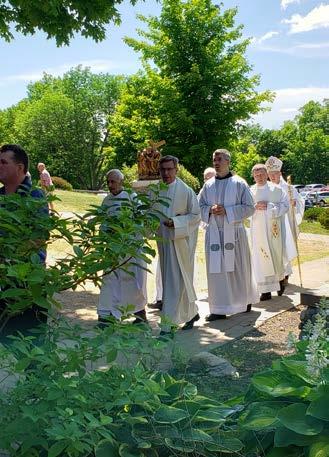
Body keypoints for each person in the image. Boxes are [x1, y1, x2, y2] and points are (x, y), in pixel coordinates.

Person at [198, 149, 258, 321]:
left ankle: (244, 301)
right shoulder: (208, 185)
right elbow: (198, 206)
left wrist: (228, 211)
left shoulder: (239, 183)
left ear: (228, 161)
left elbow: (250, 207)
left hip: (235, 234)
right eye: (214, 159)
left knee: (238, 269)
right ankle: (218, 308)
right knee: (217, 272)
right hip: (215, 234)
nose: (216, 162)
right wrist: (209, 210)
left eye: (219, 159)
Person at [0, 144, 48, 337]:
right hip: (3, 282)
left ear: (20, 168)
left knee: (31, 350)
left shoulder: (34, 196)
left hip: (27, 284)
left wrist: (6, 260)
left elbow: (38, 238)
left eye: (3, 162)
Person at [97, 169, 148, 325]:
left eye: (113, 181)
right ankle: (107, 313)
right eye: (108, 182)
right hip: (113, 248)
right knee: (110, 279)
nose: (110, 185)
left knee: (132, 281)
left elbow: (141, 220)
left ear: (121, 182)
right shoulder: (106, 201)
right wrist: (107, 230)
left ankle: (139, 313)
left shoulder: (132, 198)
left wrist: (126, 229)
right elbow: (102, 220)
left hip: (129, 249)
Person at [157, 155, 200, 331]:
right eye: (163, 170)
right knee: (174, 282)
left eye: (169, 169)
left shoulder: (186, 191)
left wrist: (176, 222)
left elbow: (196, 216)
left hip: (181, 243)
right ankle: (191, 313)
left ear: (176, 169)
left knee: (176, 282)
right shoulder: (156, 191)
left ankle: (168, 325)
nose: (166, 173)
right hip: (164, 242)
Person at [250, 164, 289, 301]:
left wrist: (270, 207)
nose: (259, 177)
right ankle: (265, 291)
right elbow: (245, 209)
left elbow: (285, 206)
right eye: (256, 175)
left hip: (273, 232)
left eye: (261, 174)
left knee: (275, 256)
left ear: (267, 174)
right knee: (260, 259)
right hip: (257, 231)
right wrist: (254, 207)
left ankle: (279, 280)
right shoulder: (250, 191)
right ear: (253, 176)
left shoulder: (276, 189)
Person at [265, 156, 305, 283]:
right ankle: (277, 275)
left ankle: (285, 275)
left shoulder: (288, 188)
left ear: (280, 173)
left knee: (285, 247)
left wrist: (294, 204)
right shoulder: (266, 188)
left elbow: (300, 201)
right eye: (270, 174)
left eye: (275, 173)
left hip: (287, 221)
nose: (272, 176)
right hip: (271, 224)